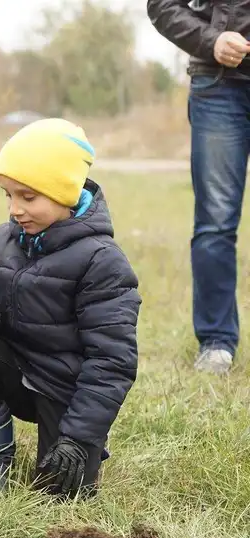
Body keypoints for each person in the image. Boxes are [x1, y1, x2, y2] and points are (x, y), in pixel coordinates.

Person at [0, 119, 141, 499]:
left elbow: (112, 362)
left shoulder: (103, 262)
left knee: (61, 493)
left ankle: (81, 446)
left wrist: (78, 437)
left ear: (65, 191)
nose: (15, 209)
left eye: (28, 197)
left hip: (66, 392)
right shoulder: (1, 241)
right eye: (8, 195)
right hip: (17, 373)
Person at [147, 0, 250, 375]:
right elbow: (162, 6)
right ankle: (217, 341)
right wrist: (211, 40)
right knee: (216, 223)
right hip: (219, 84)